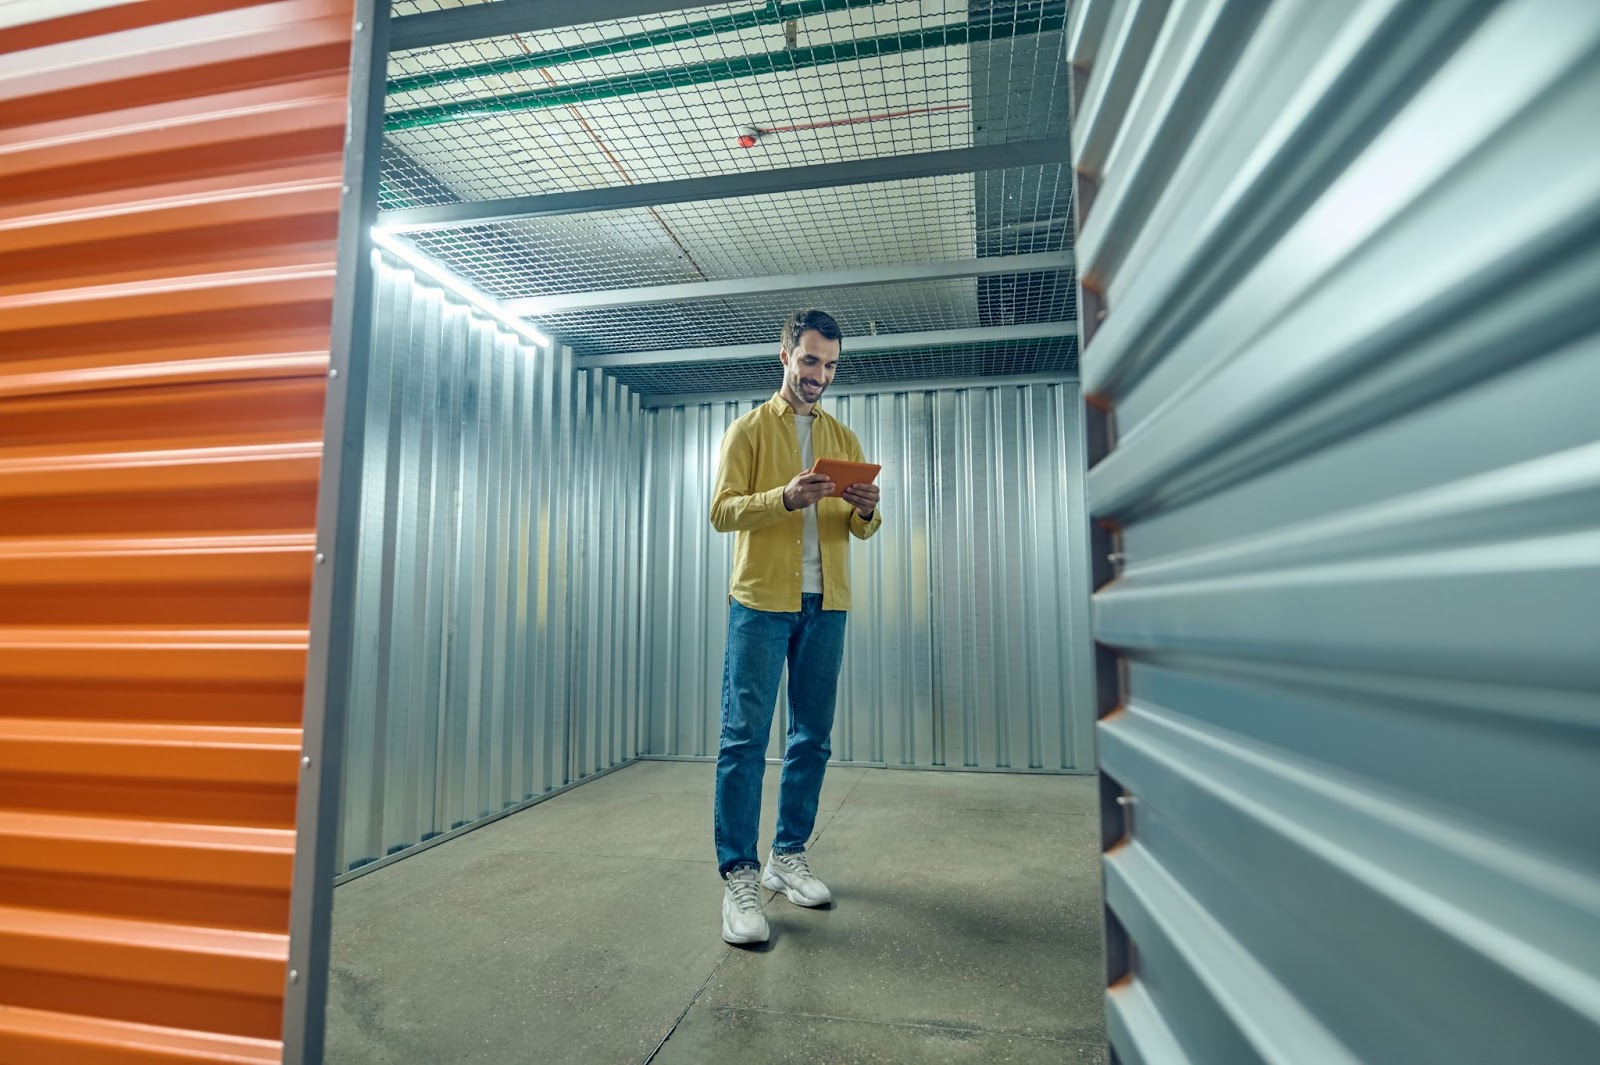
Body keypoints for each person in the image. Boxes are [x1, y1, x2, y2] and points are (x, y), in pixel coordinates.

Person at [708, 308, 883, 945]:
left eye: (831, 365)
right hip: (760, 602)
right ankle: (740, 877)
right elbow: (721, 512)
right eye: (810, 361)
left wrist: (866, 510)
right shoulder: (748, 432)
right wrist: (783, 498)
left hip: (826, 603)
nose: (820, 375)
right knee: (744, 739)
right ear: (785, 355)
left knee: (811, 737)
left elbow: (860, 529)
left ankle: (787, 856)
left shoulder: (843, 437)